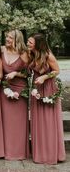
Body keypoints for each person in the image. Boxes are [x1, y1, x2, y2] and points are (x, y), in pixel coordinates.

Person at [27, 33, 66, 164]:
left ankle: (51, 153)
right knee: (38, 119)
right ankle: (40, 152)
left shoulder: (48, 55)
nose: (28, 44)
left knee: (48, 119)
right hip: (37, 87)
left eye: (30, 42)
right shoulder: (32, 54)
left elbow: (56, 70)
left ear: (38, 44)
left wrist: (44, 77)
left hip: (48, 87)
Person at [1, 30, 30, 160]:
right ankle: (6, 151)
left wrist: (16, 74)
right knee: (6, 122)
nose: (7, 39)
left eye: (10, 37)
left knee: (18, 122)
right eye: (7, 36)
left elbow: (29, 73)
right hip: (5, 89)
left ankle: (19, 152)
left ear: (17, 40)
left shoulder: (24, 54)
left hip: (20, 89)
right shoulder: (2, 50)